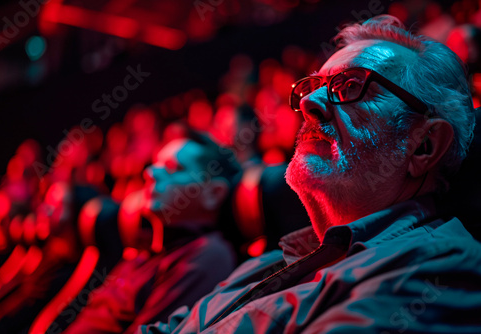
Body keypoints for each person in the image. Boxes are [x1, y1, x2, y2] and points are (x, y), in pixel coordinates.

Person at [140, 15, 481, 333]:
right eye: (312, 86)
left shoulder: (438, 266)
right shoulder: (263, 265)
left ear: (423, 146)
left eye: (350, 86)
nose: (307, 103)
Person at [63, 130, 241, 334]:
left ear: (213, 193)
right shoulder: (144, 248)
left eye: (174, 168)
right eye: (156, 163)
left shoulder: (207, 256)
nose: (150, 173)